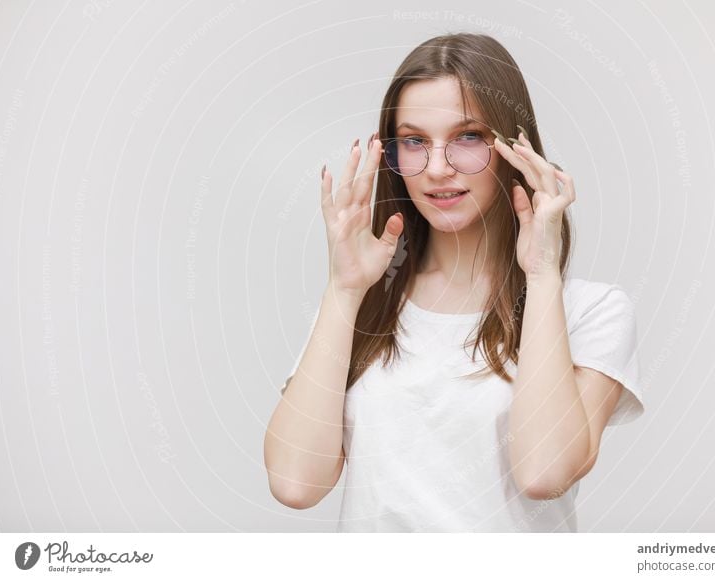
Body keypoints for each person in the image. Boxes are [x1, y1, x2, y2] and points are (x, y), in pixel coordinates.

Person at [264, 32, 644, 532]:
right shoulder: (361, 309)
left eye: (468, 137)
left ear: (512, 146)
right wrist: (345, 290)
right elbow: (295, 483)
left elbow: (544, 473)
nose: (438, 169)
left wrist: (542, 275)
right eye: (415, 141)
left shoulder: (590, 311)